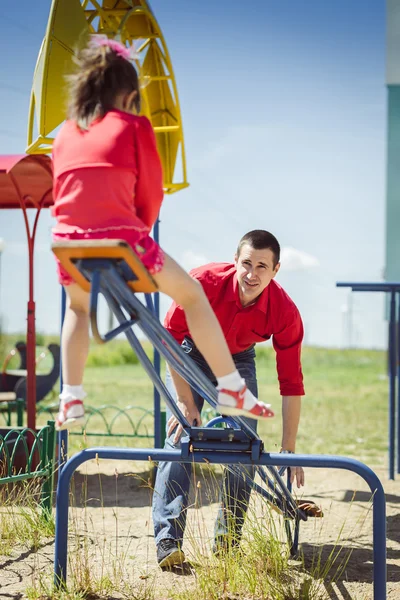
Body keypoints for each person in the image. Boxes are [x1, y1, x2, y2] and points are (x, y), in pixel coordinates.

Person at [50, 37, 273, 431]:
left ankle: (71, 395)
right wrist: (137, 229)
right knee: (191, 295)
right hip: (122, 239)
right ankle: (230, 386)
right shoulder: (135, 126)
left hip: (68, 244)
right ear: (131, 95)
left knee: (77, 309)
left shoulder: (66, 132)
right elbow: (151, 196)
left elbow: (64, 192)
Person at [152, 229, 305, 569]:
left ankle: (227, 541)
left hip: (238, 359)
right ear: (235, 260)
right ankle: (168, 541)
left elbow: (291, 382)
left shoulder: (283, 310)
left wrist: (289, 447)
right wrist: (185, 402)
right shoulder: (202, 283)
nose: (252, 274)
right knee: (182, 435)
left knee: (243, 444)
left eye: (262, 266)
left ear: (276, 270)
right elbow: (168, 337)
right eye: (246, 263)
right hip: (188, 352)